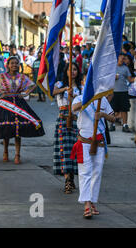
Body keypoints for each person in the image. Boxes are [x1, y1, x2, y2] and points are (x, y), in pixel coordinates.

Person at [0, 56, 45, 164]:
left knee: (18, 130)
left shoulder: (22, 77)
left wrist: (26, 93)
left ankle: (17, 155)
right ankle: (5, 152)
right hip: (5, 103)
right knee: (6, 129)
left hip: (19, 103)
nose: (14, 65)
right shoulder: (1, 77)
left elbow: (33, 85)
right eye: (12, 63)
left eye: (16, 63)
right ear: (8, 65)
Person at [71, 93, 115, 219]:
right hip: (84, 141)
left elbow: (113, 118)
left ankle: (92, 201)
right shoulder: (80, 98)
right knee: (85, 172)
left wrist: (102, 115)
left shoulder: (103, 100)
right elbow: (74, 109)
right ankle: (86, 203)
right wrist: (88, 100)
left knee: (97, 172)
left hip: (99, 142)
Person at [53, 62, 83, 194]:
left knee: (75, 150)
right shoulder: (60, 84)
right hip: (63, 119)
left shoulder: (82, 87)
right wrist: (65, 90)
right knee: (64, 150)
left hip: (77, 121)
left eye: (75, 69)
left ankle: (71, 177)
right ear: (66, 71)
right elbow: (53, 92)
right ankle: (67, 180)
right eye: (70, 70)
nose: (73, 72)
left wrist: (75, 97)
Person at [111, 53, 134, 132]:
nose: (122, 60)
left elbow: (130, 79)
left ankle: (125, 125)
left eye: (123, 58)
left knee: (124, 109)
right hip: (114, 91)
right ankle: (112, 124)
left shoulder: (125, 68)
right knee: (113, 109)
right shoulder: (112, 67)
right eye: (121, 58)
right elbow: (106, 79)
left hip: (124, 91)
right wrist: (113, 77)